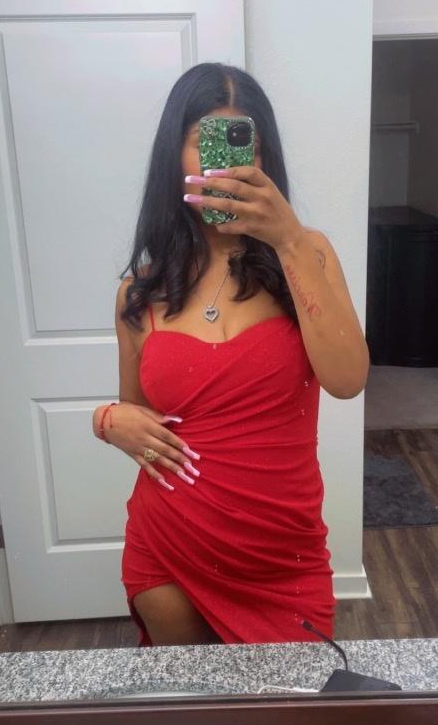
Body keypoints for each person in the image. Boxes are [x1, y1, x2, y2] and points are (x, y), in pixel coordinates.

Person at [92, 62, 370, 647]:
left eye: (246, 144)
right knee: (194, 703)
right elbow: (141, 418)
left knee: (291, 704)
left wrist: (287, 238)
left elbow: (348, 379)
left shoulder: (308, 254)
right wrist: (107, 421)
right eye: (204, 141)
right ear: (174, 154)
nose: (226, 164)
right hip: (169, 545)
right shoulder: (140, 293)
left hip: (282, 557)